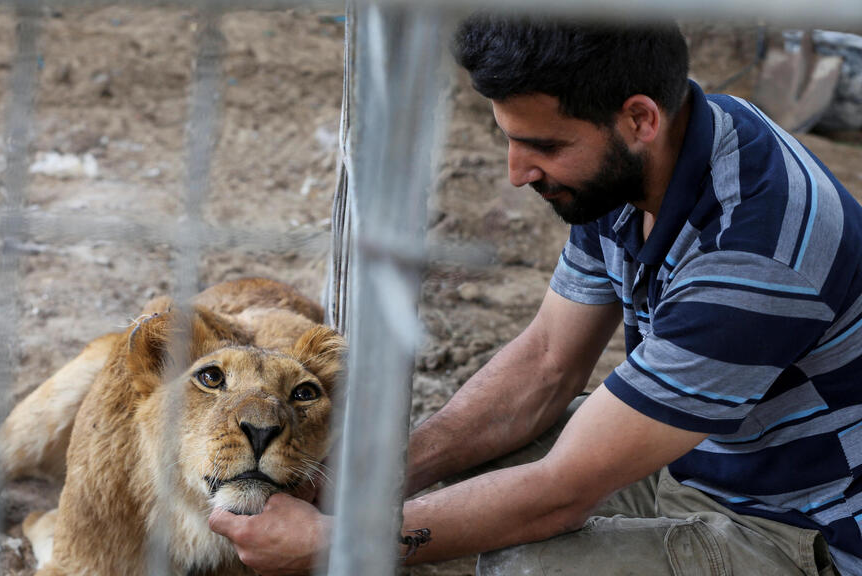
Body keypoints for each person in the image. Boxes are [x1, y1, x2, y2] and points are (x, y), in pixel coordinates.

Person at [209, 14, 862, 576]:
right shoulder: (653, 156)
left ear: (640, 118)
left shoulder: (753, 258)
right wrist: (381, 478)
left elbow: (560, 494)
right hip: (693, 459)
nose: (518, 173)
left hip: (802, 533)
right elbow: (548, 362)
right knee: (450, 497)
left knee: (497, 562)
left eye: (543, 146)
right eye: (511, 139)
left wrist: (341, 542)